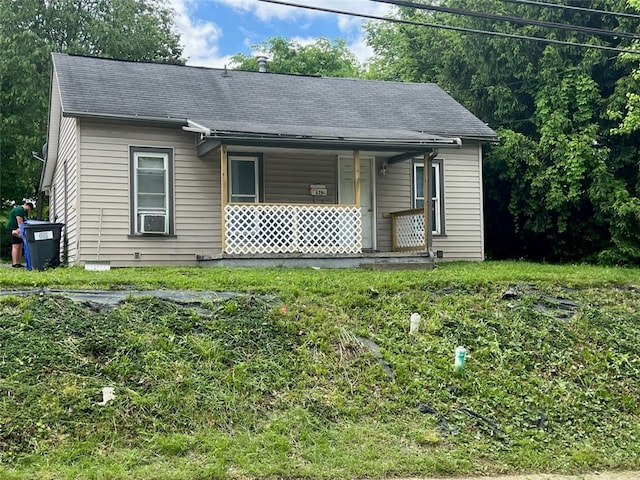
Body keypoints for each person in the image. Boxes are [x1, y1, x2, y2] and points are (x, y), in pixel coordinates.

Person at [6, 201, 34, 268]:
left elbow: (25, 222)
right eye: (29, 208)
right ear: (27, 205)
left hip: (19, 230)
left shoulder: (24, 212)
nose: (29, 210)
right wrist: (18, 230)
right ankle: (15, 263)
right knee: (16, 245)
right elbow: (20, 223)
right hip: (13, 229)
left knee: (20, 245)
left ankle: (18, 262)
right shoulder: (19, 210)